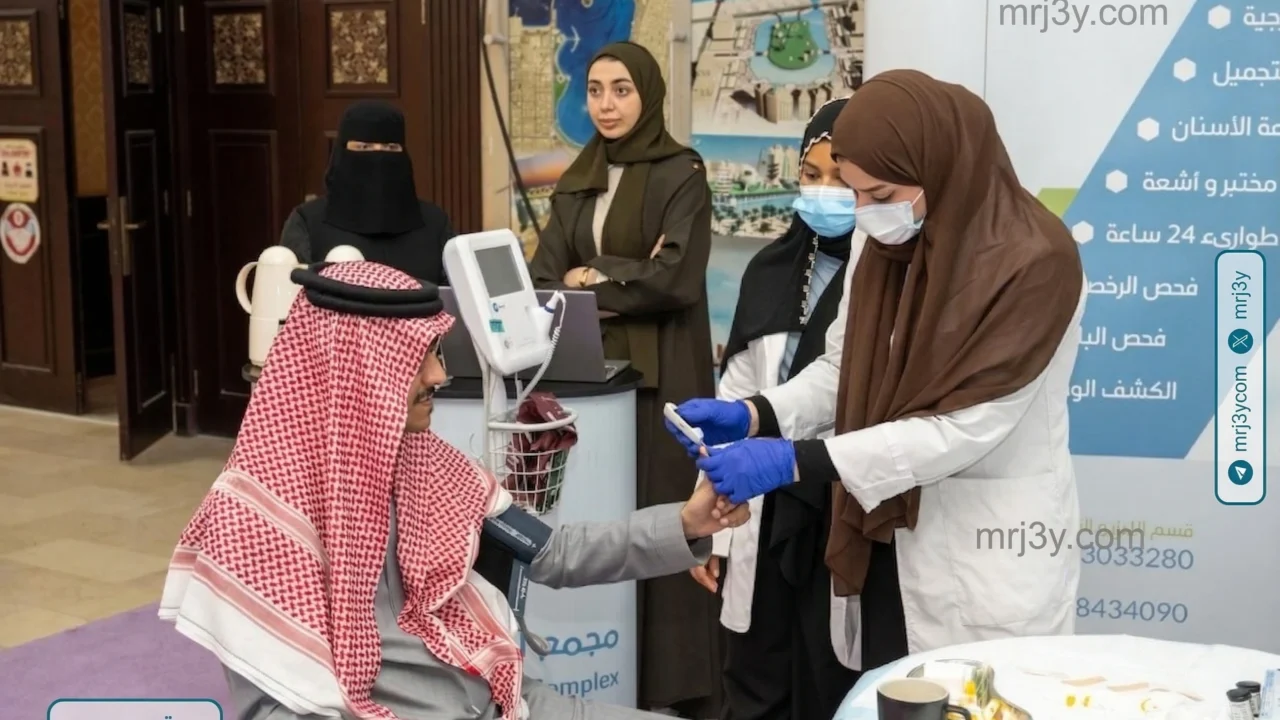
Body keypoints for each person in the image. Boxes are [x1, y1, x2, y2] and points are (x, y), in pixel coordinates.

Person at [158, 261, 748, 720]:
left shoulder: (431, 465)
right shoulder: (254, 514)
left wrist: (687, 523)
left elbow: (552, 552)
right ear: (361, 371)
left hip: (509, 703)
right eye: (421, 358)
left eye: (436, 353)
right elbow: (274, 709)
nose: (440, 376)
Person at [668, 69, 1088, 674]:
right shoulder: (886, 237)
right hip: (881, 535)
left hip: (982, 546)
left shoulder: (1034, 264)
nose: (863, 212)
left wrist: (794, 460)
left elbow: (961, 429)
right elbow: (844, 366)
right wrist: (757, 413)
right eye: (855, 193)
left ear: (938, 168)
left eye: (879, 194)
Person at [527, 42, 719, 716]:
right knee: (599, 519)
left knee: (661, 516)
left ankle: (670, 692)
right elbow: (545, 278)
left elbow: (675, 278)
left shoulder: (682, 172)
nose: (606, 105)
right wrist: (619, 278)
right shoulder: (578, 178)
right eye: (595, 90)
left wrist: (592, 276)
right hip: (589, 380)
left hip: (663, 378)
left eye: (621, 90)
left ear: (648, 95)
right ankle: (603, 678)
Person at [683, 97, 865, 720]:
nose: (825, 191)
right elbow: (736, 397)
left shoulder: (889, 280)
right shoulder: (770, 270)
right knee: (755, 682)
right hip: (757, 507)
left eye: (843, 178)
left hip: (841, 505)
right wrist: (714, 528)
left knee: (832, 686)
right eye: (812, 175)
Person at [278, 100, 454, 284]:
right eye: (364, 147)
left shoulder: (436, 224)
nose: (378, 157)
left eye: (390, 148)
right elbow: (290, 294)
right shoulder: (307, 222)